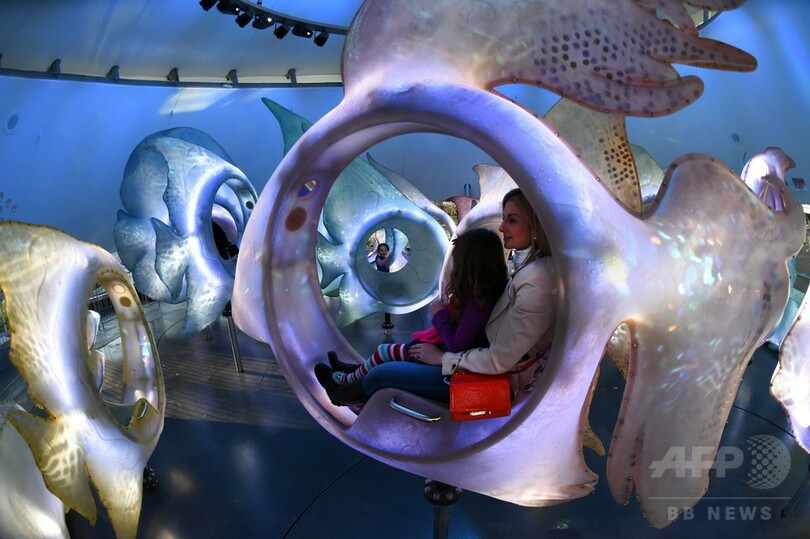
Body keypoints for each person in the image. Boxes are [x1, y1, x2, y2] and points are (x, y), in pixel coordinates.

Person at [316, 188, 556, 406]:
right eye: (504, 218)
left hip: (492, 379)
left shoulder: (537, 281)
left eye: (512, 220)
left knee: (382, 374)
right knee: (399, 353)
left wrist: (443, 358)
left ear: (536, 225)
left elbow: (498, 359)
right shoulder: (528, 272)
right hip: (479, 363)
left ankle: (345, 392)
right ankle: (353, 377)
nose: (502, 227)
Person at [317, 228, 507, 396]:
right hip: (448, 351)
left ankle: (345, 384)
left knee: (384, 352)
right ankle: (353, 372)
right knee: (386, 353)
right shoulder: (482, 297)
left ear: (469, 266)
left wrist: (439, 313)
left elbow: (456, 344)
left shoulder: (478, 305)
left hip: (448, 356)